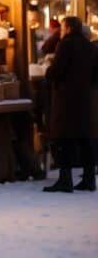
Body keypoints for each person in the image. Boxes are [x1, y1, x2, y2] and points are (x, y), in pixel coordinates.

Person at [43, 16, 97, 193]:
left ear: (67, 29)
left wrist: (49, 70)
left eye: (62, 28)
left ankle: (65, 180)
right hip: (85, 98)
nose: (60, 31)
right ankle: (89, 180)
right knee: (85, 139)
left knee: (63, 139)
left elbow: (57, 71)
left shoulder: (65, 45)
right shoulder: (90, 46)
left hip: (66, 100)